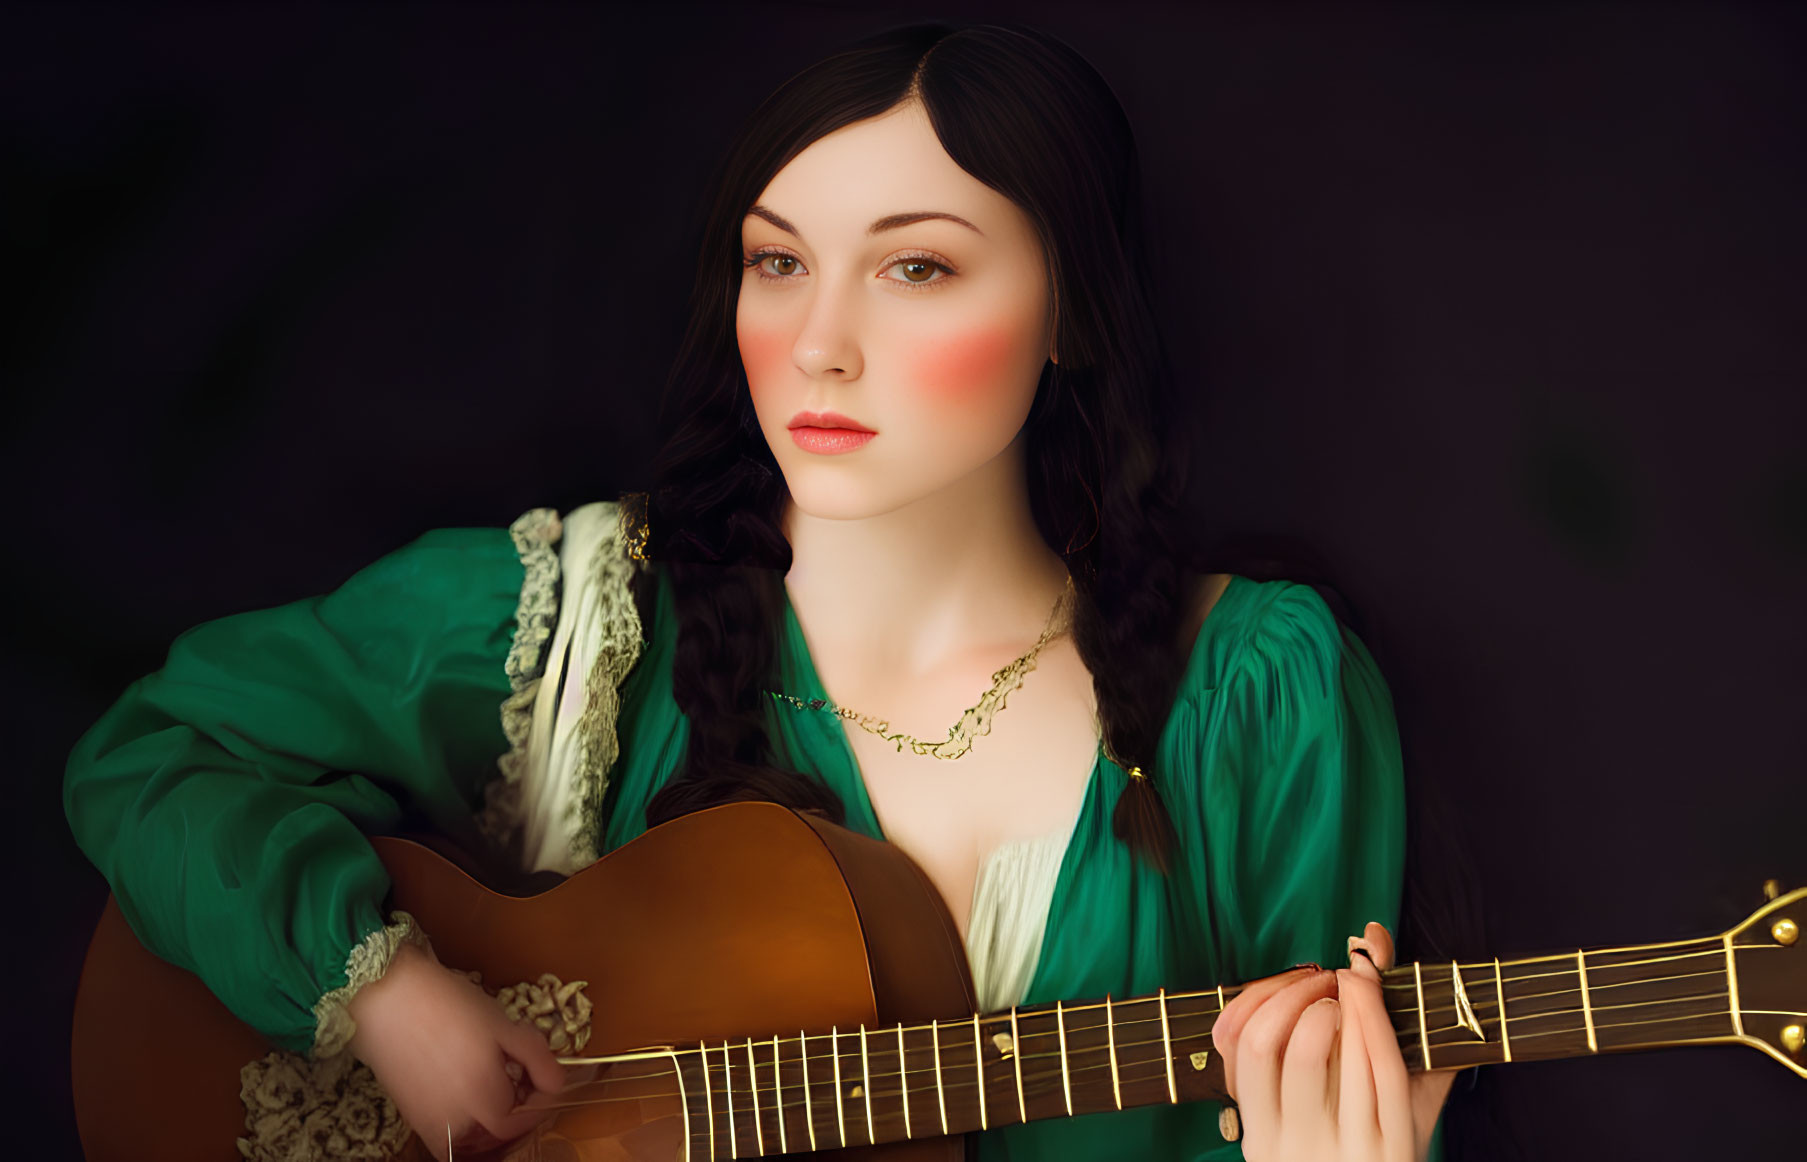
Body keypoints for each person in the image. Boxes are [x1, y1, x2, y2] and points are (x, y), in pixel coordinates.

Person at [63, 21, 1456, 1161]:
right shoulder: (574, 623)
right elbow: (155, 753)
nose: (821, 344)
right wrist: (385, 994)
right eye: (778, 261)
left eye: (916, 267)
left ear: (1074, 311)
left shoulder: (1260, 695)